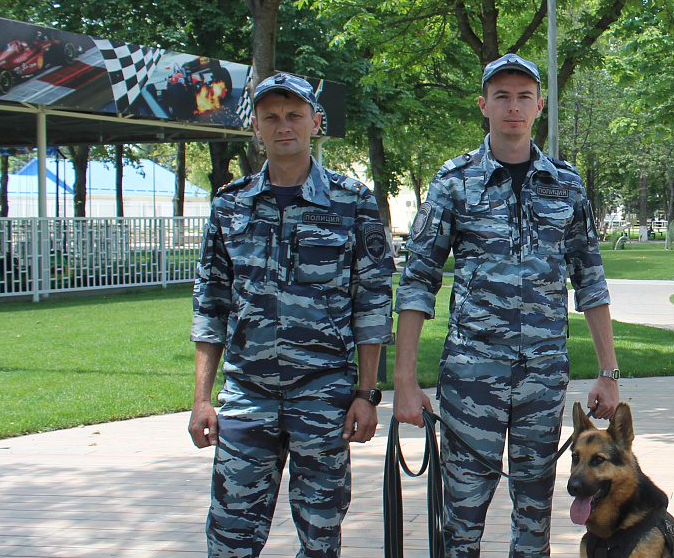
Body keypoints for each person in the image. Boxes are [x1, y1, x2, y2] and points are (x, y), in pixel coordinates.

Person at [393, 53, 621, 558]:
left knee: (535, 519)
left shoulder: (566, 184)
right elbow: (416, 284)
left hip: (542, 378)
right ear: (484, 106)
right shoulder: (454, 183)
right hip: (471, 377)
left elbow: (591, 282)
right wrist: (405, 382)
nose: (513, 107)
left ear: (540, 106)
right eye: (502, 97)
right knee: (462, 522)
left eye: (523, 97)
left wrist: (609, 370)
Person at [189, 72, 394, 558]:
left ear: (315, 122)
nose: (284, 126)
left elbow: (372, 303)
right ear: (255, 127)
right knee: (230, 538)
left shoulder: (354, 203)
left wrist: (366, 394)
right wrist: (201, 398)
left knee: (321, 539)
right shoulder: (230, 205)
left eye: (295, 116)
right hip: (247, 392)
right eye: (271, 117)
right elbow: (210, 304)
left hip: (322, 394)